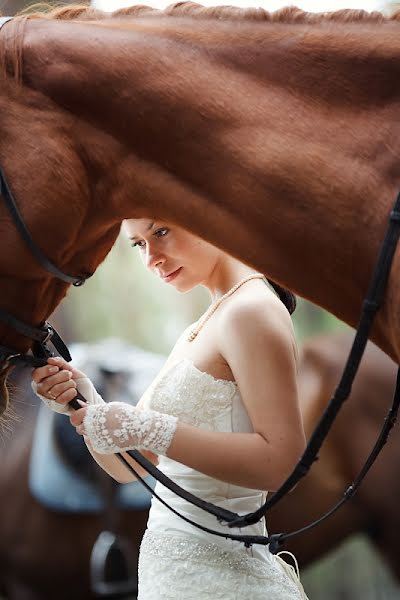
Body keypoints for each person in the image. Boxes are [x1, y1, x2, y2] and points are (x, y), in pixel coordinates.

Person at [32, 219, 308, 599]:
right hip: (174, 577)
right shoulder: (205, 324)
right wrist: (85, 402)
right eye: (138, 245)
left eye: (160, 233)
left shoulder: (250, 310)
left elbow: (281, 462)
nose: (151, 259)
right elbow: (129, 467)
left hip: (221, 580)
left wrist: (148, 427)